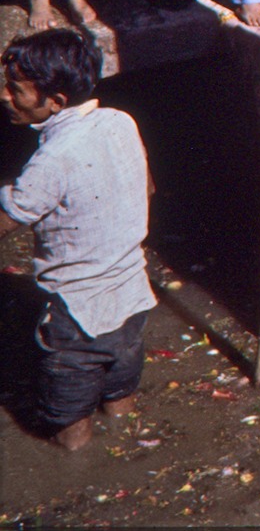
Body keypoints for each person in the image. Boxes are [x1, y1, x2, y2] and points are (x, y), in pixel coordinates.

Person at [0, 28, 155, 451]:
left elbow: (8, 219)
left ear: (56, 102)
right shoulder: (120, 122)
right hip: (133, 296)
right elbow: (147, 188)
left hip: (78, 313)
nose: (5, 97)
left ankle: (81, 466)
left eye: (15, 90)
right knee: (120, 393)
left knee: (69, 425)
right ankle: (127, 442)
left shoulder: (51, 160)